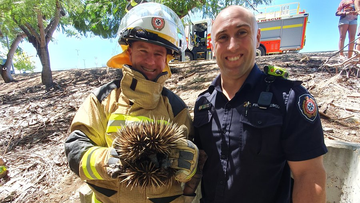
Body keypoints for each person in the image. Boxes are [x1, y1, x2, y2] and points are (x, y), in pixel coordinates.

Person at [188, 5, 328, 203]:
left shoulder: (288, 98)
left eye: (241, 32)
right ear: (212, 45)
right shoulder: (203, 103)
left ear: (257, 38)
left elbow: (309, 175)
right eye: (223, 37)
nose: (232, 46)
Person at [64, 3, 198, 203]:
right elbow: (75, 149)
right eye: (143, 50)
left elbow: (191, 170)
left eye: (158, 54)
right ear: (129, 52)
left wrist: (190, 161)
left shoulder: (176, 107)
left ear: (167, 60)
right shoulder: (103, 98)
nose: (150, 61)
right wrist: (110, 159)